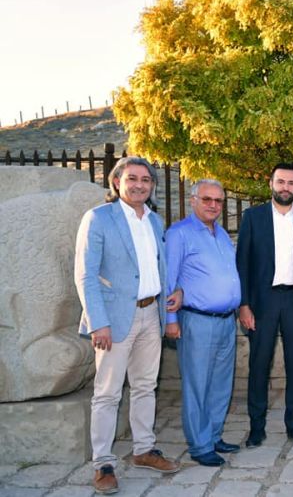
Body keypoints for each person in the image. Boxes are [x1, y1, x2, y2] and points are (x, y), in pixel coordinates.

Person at [74, 157, 182, 495]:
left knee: (145, 387)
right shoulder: (98, 218)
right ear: (116, 182)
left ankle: (143, 450)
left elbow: (157, 268)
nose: (140, 184)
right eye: (132, 178)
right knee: (106, 393)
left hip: (152, 314)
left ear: (152, 186)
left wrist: (172, 293)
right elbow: (86, 275)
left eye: (146, 180)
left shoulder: (154, 221)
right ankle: (103, 463)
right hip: (114, 319)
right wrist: (98, 322)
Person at [236, 163, 293, 447]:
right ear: (271, 183)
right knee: (259, 363)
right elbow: (243, 264)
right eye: (281, 181)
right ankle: (256, 426)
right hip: (263, 300)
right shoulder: (253, 217)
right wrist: (244, 305)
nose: (286, 187)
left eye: (291, 183)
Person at [165, 179, 241, 466]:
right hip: (197, 321)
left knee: (221, 383)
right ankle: (199, 445)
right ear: (193, 200)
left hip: (226, 321)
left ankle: (214, 435)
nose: (213, 205)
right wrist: (170, 320)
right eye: (207, 199)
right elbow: (169, 280)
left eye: (218, 201)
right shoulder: (179, 234)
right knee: (197, 384)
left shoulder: (220, 234)